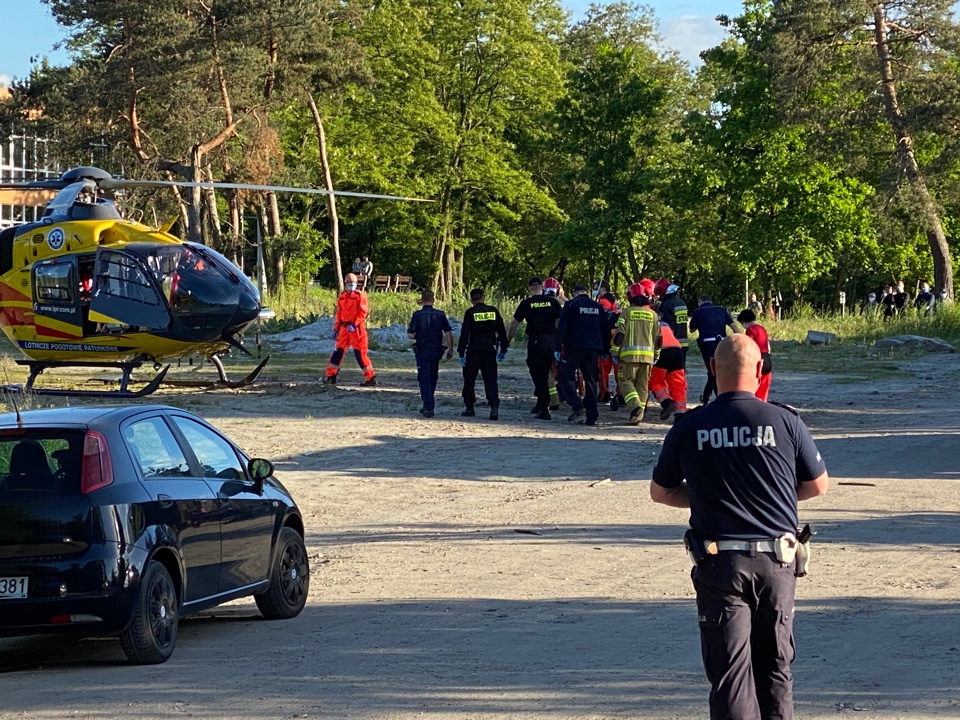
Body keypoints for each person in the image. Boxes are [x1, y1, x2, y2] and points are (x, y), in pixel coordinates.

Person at [650, 334, 829, 720]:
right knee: (776, 671)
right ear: (760, 369)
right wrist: (771, 495)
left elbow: (661, 492)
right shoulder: (785, 421)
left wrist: (705, 496)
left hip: (720, 564)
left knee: (731, 675)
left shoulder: (690, 426)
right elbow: (817, 485)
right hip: (777, 561)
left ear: (712, 369)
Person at [507, 277, 563, 420]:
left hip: (536, 341)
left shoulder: (527, 303)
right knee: (547, 372)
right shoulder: (553, 302)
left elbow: (514, 324)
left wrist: (507, 341)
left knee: (539, 374)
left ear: (529, 288)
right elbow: (560, 322)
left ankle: (544, 407)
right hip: (551, 341)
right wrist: (559, 341)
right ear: (542, 287)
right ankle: (541, 403)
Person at [610, 282, 660, 426]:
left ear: (629, 297)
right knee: (642, 386)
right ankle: (637, 417)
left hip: (628, 356)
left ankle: (635, 406)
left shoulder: (627, 312)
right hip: (648, 357)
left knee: (625, 381)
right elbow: (659, 338)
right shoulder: (653, 315)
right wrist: (656, 354)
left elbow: (619, 335)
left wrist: (614, 351)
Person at [556, 284, 607, 425]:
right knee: (591, 380)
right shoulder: (597, 307)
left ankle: (577, 405)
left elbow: (563, 327)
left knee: (564, 376)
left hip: (574, 347)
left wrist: (557, 347)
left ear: (574, 293)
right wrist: (605, 350)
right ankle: (592, 416)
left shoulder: (571, 305)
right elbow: (605, 329)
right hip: (594, 349)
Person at [458, 288, 508, 421]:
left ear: (471, 299)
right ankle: (494, 407)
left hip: (474, 349)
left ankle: (469, 407)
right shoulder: (493, 311)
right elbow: (502, 331)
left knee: (469, 379)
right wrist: (503, 349)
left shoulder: (470, 312)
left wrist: (461, 352)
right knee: (491, 379)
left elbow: (464, 334)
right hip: (489, 350)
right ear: (483, 297)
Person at [407, 289, 454, 417]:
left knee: (424, 378)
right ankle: (428, 404)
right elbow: (448, 333)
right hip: (436, 350)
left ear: (421, 300)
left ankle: (428, 406)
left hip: (422, 351)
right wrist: (451, 349)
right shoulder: (440, 315)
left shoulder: (417, 315)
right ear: (433, 300)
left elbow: (410, 335)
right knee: (433, 377)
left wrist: (418, 334)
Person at [325, 272, 377, 386]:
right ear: (345, 283)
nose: (352, 285)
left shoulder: (360, 296)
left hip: (356, 329)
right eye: (350, 283)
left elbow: (363, 312)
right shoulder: (342, 297)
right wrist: (336, 328)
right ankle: (331, 376)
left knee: (360, 354)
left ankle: (371, 377)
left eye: (353, 283)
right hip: (344, 328)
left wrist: (355, 324)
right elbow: (339, 314)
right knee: (337, 352)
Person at [689, 294, 740, 404]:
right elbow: (734, 327)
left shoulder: (698, 312)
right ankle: (706, 397)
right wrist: (742, 339)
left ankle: (718, 398)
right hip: (721, 343)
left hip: (707, 343)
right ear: (711, 301)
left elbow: (692, 329)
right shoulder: (721, 310)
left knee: (712, 371)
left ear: (700, 302)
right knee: (717, 370)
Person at [648, 318, 687, 421]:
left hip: (663, 351)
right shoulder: (665, 323)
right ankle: (681, 412)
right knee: (677, 383)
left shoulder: (647, 323)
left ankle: (667, 403)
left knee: (654, 382)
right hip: (677, 350)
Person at [737, 308, 773, 401]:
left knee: (755, 386)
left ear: (744, 321)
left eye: (742, 323)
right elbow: (768, 346)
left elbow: (749, 346)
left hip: (757, 359)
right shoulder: (762, 329)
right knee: (764, 386)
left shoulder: (750, 329)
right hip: (767, 358)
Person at [654, 278, 691, 365]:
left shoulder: (667, 305)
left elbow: (667, 326)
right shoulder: (681, 302)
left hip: (672, 344)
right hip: (683, 343)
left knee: (670, 373)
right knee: (680, 372)